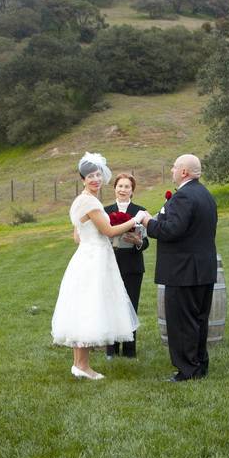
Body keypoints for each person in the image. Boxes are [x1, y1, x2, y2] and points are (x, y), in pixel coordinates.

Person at [51, 152, 145, 380]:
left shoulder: (82, 200)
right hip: (93, 260)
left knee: (84, 306)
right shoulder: (90, 201)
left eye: (98, 175)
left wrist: (95, 240)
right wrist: (137, 218)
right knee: (88, 307)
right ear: (83, 179)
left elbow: (77, 236)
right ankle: (83, 366)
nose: (95, 179)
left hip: (88, 255)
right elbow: (109, 231)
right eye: (90, 176)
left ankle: (78, 364)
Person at [139, 154, 218, 381]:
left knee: (182, 322)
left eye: (174, 167)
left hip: (183, 270)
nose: (172, 170)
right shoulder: (205, 195)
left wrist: (147, 221)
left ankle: (187, 370)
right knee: (199, 320)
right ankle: (199, 364)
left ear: (184, 171)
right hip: (202, 268)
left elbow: (171, 230)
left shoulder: (183, 196)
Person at [104, 172, 150, 360]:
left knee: (131, 306)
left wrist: (138, 241)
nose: (123, 190)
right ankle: (111, 350)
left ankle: (130, 351)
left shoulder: (140, 211)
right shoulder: (105, 211)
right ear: (115, 188)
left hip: (132, 266)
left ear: (132, 190)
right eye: (120, 186)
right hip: (109, 265)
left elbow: (146, 242)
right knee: (110, 307)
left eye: (127, 187)